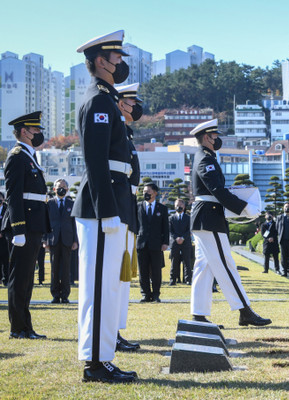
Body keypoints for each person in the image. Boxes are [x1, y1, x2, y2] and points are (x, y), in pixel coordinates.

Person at [72, 30, 137, 383]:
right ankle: (95, 362)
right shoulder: (98, 100)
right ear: (101, 60)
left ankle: (103, 355)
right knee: (98, 286)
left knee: (109, 285)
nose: (121, 63)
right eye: (117, 57)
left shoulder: (107, 99)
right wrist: (107, 210)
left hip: (112, 201)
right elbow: (95, 160)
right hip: (101, 207)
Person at [189, 119, 271, 327]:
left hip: (207, 217)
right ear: (207, 137)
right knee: (225, 264)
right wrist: (243, 207)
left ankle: (199, 315)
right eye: (215, 136)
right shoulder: (204, 159)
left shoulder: (205, 156)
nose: (218, 139)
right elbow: (216, 190)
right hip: (209, 217)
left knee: (204, 266)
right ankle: (244, 311)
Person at [2, 111, 51, 340]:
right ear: (24, 131)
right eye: (36, 130)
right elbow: (13, 196)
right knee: (19, 278)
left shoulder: (29, 156)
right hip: (23, 227)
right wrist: (19, 229)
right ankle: (18, 328)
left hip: (33, 225)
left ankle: (26, 326)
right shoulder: (16, 156)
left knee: (27, 279)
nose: (40, 133)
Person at [114, 81, 143, 352]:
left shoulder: (127, 134)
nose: (136, 107)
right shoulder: (116, 133)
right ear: (121, 104)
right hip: (119, 208)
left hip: (127, 208)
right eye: (132, 102)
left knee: (124, 278)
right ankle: (110, 332)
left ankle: (116, 331)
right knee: (116, 276)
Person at [45, 179, 78, 303]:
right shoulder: (49, 204)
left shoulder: (71, 204)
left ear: (68, 189)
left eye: (64, 186)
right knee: (54, 268)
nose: (61, 189)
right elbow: (45, 222)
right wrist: (45, 240)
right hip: (53, 239)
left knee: (66, 268)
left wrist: (75, 240)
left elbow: (75, 224)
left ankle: (65, 295)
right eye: (59, 187)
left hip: (67, 240)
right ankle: (55, 294)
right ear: (54, 189)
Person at [137, 182, 169, 303]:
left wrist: (165, 242)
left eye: (148, 191)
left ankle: (156, 294)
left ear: (155, 193)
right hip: (141, 243)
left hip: (156, 244)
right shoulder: (138, 206)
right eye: (144, 191)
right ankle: (145, 294)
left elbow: (165, 227)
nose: (145, 193)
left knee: (156, 271)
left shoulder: (162, 208)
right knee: (143, 271)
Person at [169, 199, 192, 285]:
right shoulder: (171, 218)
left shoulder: (188, 218)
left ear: (184, 207)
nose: (178, 207)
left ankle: (188, 279)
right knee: (174, 262)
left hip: (186, 242)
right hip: (175, 243)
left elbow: (189, 230)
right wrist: (176, 238)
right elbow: (170, 231)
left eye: (180, 205)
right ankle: (173, 280)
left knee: (187, 262)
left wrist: (182, 238)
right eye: (177, 205)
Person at [0, 192, 9, 286]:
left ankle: (6, 279)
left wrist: (2, 233)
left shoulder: (7, 209)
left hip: (4, 239)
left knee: (5, 260)